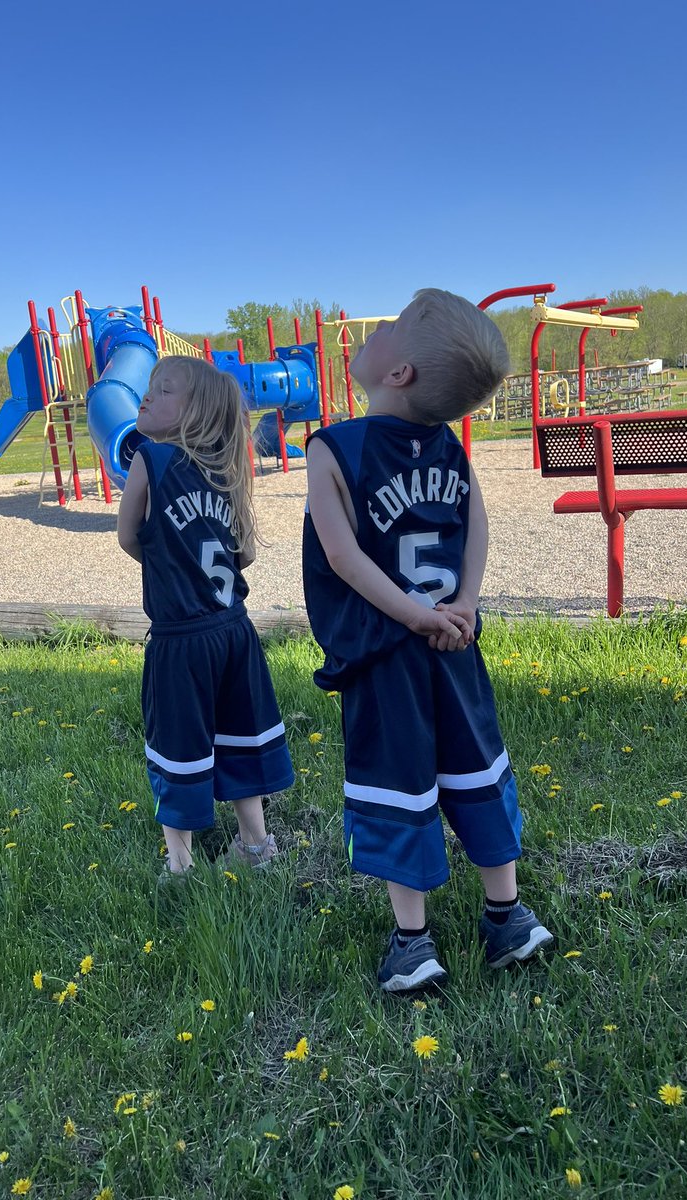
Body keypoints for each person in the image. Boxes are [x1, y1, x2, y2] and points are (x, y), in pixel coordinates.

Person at [303, 289, 553, 992]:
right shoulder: (449, 446)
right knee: (477, 768)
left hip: (389, 652)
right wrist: (465, 604)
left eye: (395, 324)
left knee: (396, 785)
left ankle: (413, 943)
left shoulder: (335, 446)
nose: (378, 324)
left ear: (400, 372)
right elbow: (478, 527)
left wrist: (414, 617)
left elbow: (344, 558)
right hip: (455, 644)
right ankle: (505, 916)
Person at [117, 355, 294, 875]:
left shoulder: (149, 459)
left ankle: (180, 862)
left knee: (177, 746)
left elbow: (129, 537)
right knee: (239, 732)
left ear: (196, 412)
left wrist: (167, 560)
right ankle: (256, 843)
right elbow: (247, 554)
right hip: (233, 631)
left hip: (180, 639)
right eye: (149, 387)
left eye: (164, 389)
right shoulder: (227, 470)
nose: (148, 396)